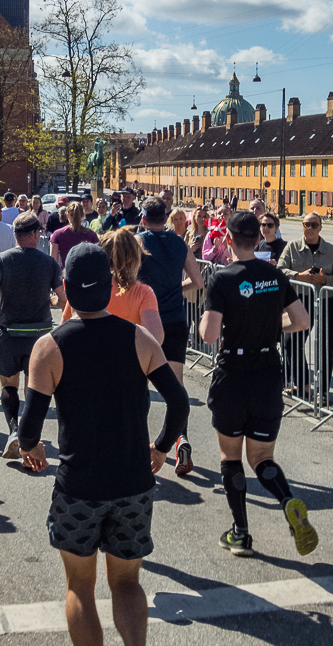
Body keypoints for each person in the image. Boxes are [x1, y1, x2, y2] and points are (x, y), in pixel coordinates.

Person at [19, 243, 189, 646]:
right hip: (133, 481)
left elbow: (29, 427)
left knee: (80, 586)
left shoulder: (49, 346)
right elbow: (178, 401)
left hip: (80, 484)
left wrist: (34, 448)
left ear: (65, 288)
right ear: (112, 284)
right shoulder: (140, 338)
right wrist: (162, 447)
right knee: (127, 583)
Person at [199, 211, 317, 557]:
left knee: (231, 456)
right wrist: (266, 326)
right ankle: (288, 499)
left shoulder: (222, 279)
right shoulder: (275, 275)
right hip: (268, 372)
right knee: (262, 456)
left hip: (234, 372)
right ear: (258, 239)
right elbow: (302, 320)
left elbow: (208, 335)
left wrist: (238, 322)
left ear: (229, 240)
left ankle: (242, 533)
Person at [0, 212, 66, 459]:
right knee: (34, 388)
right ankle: (32, 437)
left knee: (9, 385)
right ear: (36, 235)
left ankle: (15, 432)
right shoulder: (48, 263)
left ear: (15, 235)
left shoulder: (1, 259)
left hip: (9, 333)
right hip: (40, 337)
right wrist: (47, 298)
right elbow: (62, 300)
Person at [137, 197, 204, 476]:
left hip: (145, 321)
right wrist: (176, 288)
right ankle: (180, 440)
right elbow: (199, 281)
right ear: (165, 219)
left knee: (139, 384)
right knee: (176, 389)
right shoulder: (179, 243)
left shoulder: (137, 242)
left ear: (143, 219)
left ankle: (140, 446)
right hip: (175, 319)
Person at [276, 212, 333, 406]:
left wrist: (326, 280)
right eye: (306, 224)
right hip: (300, 301)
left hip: (327, 301)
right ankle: (303, 384)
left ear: (320, 227)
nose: (310, 228)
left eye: (314, 225)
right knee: (291, 343)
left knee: (325, 347)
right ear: (302, 226)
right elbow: (280, 270)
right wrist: (298, 275)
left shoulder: (331, 250)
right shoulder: (292, 247)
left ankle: (323, 392)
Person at [49, 202, 99, 267]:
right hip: (87, 275)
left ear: (67, 215)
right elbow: (97, 260)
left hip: (66, 274)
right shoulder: (91, 235)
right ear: (83, 215)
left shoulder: (57, 234)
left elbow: (53, 262)